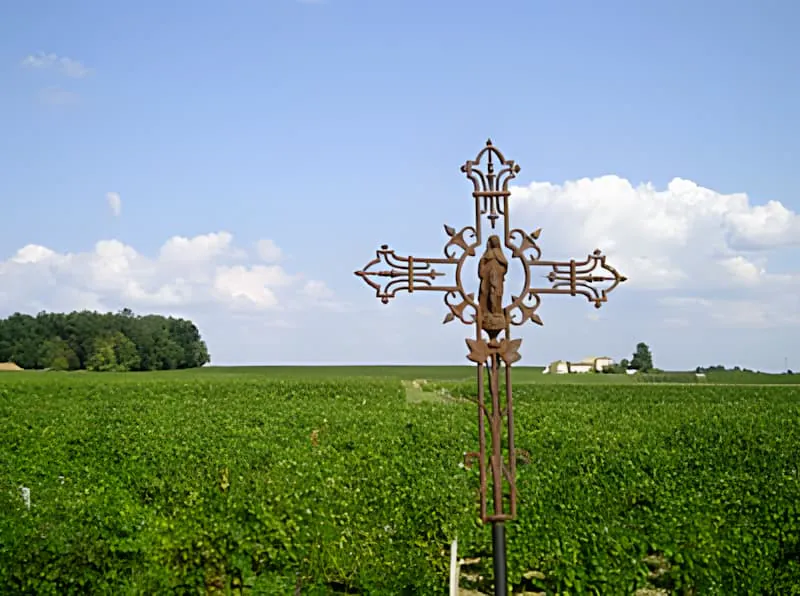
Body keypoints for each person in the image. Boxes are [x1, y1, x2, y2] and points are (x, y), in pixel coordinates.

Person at [478, 235, 508, 336]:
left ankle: (496, 312)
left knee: (496, 295)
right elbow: (482, 263)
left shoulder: (497, 254)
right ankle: (488, 312)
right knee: (488, 294)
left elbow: (505, 265)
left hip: (497, 280)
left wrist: (499, 272)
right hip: (487, 280)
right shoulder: (488, 254)